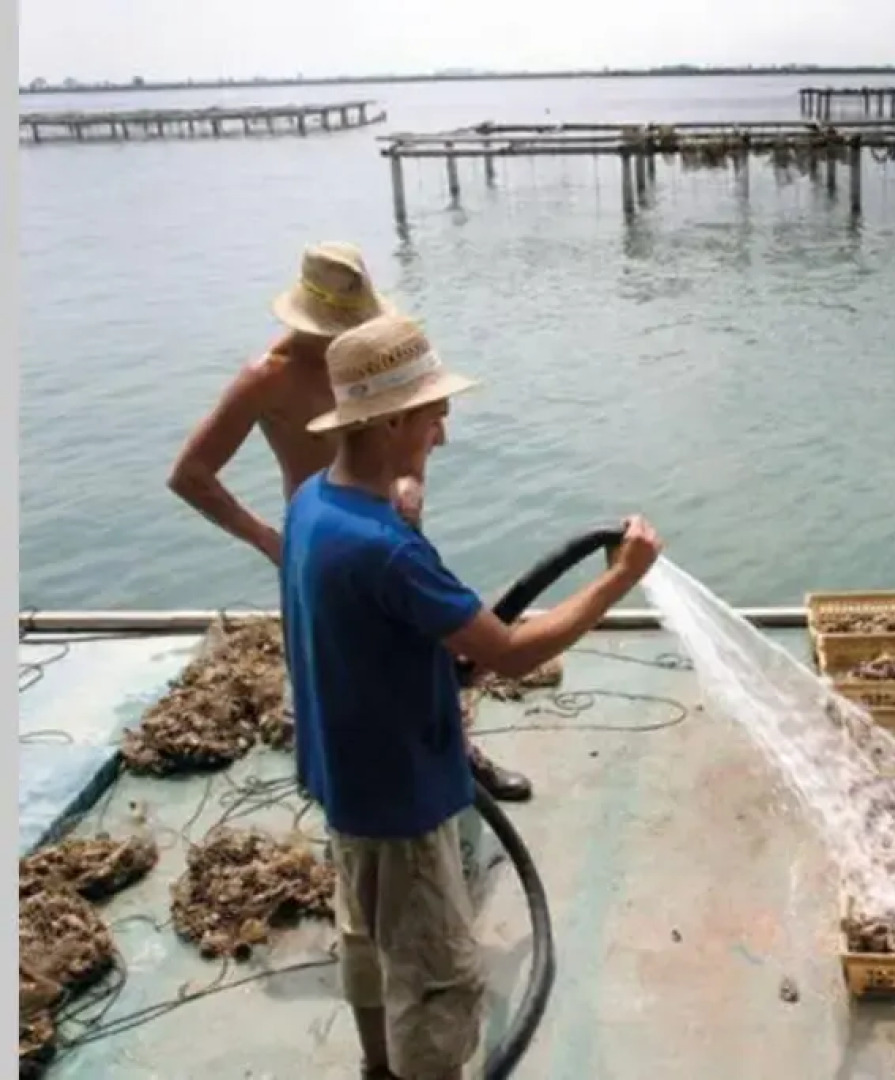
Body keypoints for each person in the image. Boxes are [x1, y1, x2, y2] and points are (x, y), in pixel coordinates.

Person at [282, 312, 663, 1080]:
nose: (443, 432)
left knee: (364, 938)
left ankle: (376, 1067)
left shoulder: (313, 506)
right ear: (389, 419)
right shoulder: (387, 550)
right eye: (432, 414)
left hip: (344, 781)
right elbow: (512, 653)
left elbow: (363, 628)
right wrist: (620, 579)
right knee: (438, 981)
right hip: (405, 800)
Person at [167, 241, 534, 801]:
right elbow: (191, 474)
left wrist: (410, 486)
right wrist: (269, 539)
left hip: (389, 533)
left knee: (431, 655)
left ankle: (459, 757)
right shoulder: (268, 377)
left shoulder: (380, 360)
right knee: (337, 674)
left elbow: (430, 428)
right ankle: (347, 796)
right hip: (320, 543)